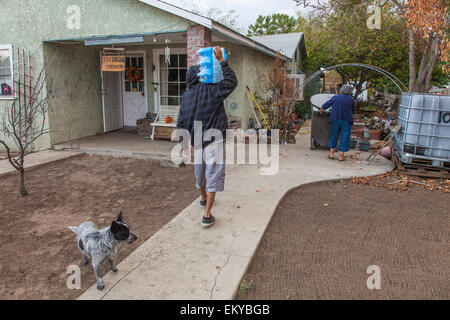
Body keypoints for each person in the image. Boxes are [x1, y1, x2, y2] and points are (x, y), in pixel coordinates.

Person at [177, 46, 238, 228]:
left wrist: (185, 143)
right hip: (214, 140)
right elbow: (231, 82)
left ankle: (203, 198)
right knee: (213, 174)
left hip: (196, 142)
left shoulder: (187, 96)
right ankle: (207, 215)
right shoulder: (213, 91)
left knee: (200, 172)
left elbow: (181, 121)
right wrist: (223, 63)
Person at [320, 84, 355, 161]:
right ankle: (341, 155)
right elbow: (353, 111)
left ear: (341, 90)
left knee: (334, 134)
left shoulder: (336, 97)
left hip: (335, 119)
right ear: (349, 92)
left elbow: (326, 104)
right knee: (345, 136)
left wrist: (322, 109)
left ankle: (331, 153)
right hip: (346, 120)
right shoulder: (351, 100)